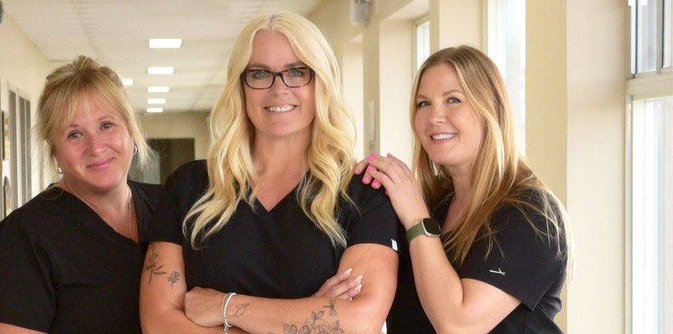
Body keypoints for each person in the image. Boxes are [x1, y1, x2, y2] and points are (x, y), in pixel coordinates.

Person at [140, 11, 401, 334]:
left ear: (321, 81)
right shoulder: (189, 186)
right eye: (260, 74)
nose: (279, 89)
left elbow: (359, 321)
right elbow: (159, 324)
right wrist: (307, 317)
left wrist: (226, 307)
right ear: (241, 86)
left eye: (296, 72)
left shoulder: (363, 193)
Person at [360, 46, 572, 333]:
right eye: (424, 104)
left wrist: (415, 218)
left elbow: (458, 324)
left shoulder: (531, 214)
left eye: (453, 100)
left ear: (491, 110)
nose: (434, 117)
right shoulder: (432, 204)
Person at [0, 56, 162, 334]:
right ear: (54, 150)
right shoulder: (25, 237)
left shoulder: (169, 207)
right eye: (75, 134)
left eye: (106, 125)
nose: (96, 147)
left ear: (130, 129)